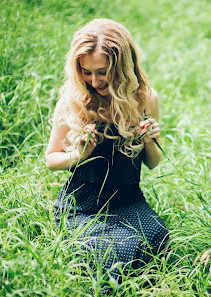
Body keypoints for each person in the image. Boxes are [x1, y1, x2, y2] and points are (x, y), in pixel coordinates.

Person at [45, 18, 169, 285]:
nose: (93, 80)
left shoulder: (145, 99)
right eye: (85, 72)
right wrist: (78, 155)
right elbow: (51, 159)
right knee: (115, 252)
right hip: (83, 205)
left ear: (122, 66)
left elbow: (153, 164)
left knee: (159, 237)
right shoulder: (74, 99)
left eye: (102, 71)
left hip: (127, 199)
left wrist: (150, 141)